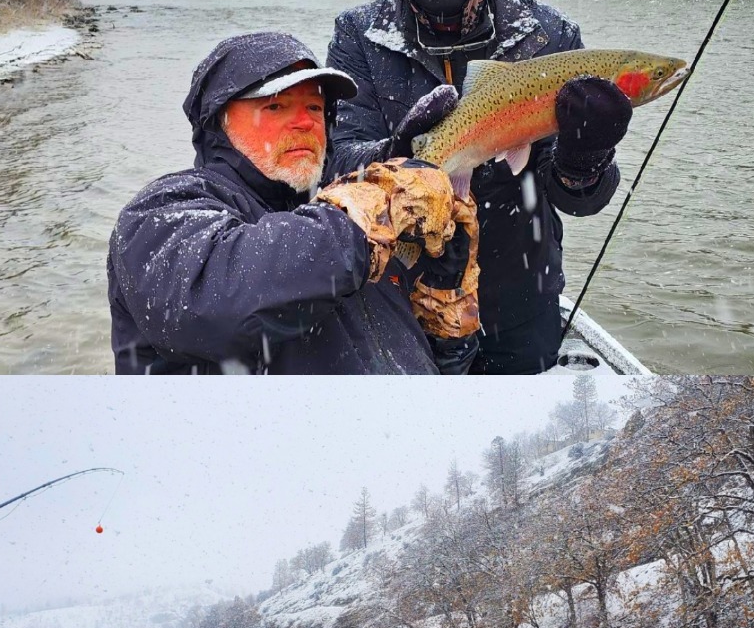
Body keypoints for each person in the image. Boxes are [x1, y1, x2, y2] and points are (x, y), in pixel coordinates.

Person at [327, 0, 633, 375]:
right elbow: (338, 166)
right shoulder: (359, 36)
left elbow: (582, 201)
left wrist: (586, 161)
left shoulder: (549, 35)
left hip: (522, 288)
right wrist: (404, 153)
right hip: (404, 290)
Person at [107, 31, 479, 374]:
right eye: (276, 106)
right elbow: (209, 305)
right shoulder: (162, 209)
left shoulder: (347, 224)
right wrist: (372, 206)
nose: (304, 122)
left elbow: (419, 369)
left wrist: (442, 299)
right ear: (218, 120)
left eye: (315, 108)